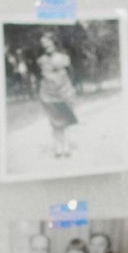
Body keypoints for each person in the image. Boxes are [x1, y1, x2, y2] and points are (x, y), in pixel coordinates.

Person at [34, 31, 79, 160]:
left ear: (54, 42)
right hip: (48, 93)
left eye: (48, 42)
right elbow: (41, 77)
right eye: (43, 44)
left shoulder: (63, 57)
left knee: (65, 119)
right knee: (54, 122)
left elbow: (71, 73)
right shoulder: (41, 60)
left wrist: (70, 89)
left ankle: (66, 146)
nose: (46, 45)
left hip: (64, 92)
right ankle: (58, 147)